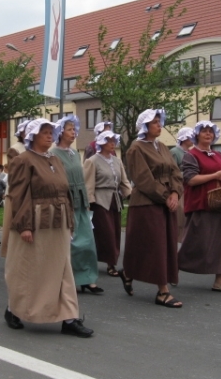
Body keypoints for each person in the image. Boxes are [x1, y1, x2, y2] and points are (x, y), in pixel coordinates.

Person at [4, 118, 93, 337]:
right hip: (35, 220)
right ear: (33, 136)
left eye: (51, 132)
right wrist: (25, 225)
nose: (49, 135)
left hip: (59, 220)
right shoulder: (23, 160)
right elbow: (19, 194)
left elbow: (66, 192)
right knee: (30, 268)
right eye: (45, 132)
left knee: (63, 268)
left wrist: (70, 221)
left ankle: (69, 317)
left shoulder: (55, 158)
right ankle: (13, 309)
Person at [120, 109, 183, 308]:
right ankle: (163, 291)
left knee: (163, 244)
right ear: (145, 126)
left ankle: (129, 272)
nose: (159, 125)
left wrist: (175, 193)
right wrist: (165, 196)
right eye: (155, 122)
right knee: (154, 246)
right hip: (147, 203)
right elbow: (143, 179)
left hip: (166, 202)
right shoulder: (136, 149)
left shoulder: (163, 147)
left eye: (159, 121)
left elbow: (175, 172)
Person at [177, 121, 221, 294]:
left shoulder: (218, 155)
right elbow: (190, 179)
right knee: (196, 243)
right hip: (201, 204)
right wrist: (215, 175)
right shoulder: (191, 155)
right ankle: (173, 268)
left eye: (210, 132)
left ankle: (219, 280)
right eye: (204, 131)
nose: (208, 134)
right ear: (197, 135)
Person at [50, 115, 102, 294]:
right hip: (67, 200)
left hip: (80, 200)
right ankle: (69, 278)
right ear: (60, 132)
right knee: (72, 243)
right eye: (70, 130)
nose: (74, 133)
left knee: (87, 240)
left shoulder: (74, 153)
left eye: (74, 129)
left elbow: (81, 178)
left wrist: (87, 201)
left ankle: (88, 278)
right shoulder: (54, 154)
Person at [83, 130, 132, 277]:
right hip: (99, 201)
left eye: (113, 141)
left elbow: (124, 181)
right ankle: (108, 261)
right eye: (109, 141)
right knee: (106, 233)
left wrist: (131, 195)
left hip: (114, 200)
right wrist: (89, 202)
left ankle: (112, 262)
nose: (113, 144)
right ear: (102, 143)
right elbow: (88, 184)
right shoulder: (92, 161)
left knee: (116, 231)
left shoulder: (117, 161)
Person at [0, 119, 31, 257]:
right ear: (22, 133)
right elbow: (15, 174)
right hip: (16, 192)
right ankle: (10, 253)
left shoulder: (33, 147)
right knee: (12, 224)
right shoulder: (15, 148)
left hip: (31, 192)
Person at [169, 127, 194, 243]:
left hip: (190, 188)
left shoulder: (189, 153)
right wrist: (190, 174)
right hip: (180, 188)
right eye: (190, 137)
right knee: (180, 216)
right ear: (184, 139)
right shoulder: (174, 152)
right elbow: (172, 171)